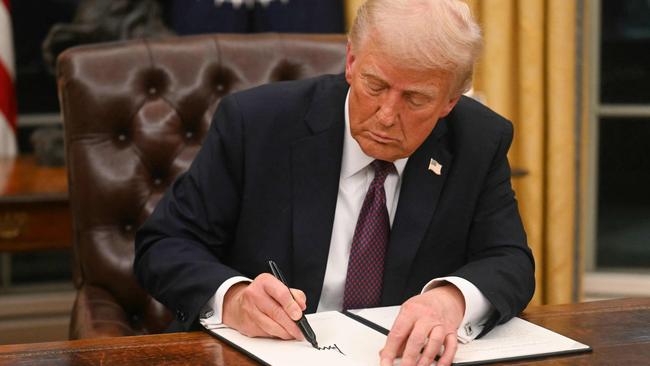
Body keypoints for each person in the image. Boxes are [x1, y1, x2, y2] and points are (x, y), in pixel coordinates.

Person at [134, 0, 535, 365]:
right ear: (350, 61)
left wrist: (451, 300)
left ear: (450, 101)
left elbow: (510, 261)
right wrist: (234, 298)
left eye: (415, 99)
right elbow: (164, 244)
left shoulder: (478, 141)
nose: (386, 115)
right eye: (374, 85)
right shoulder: (256, 124)